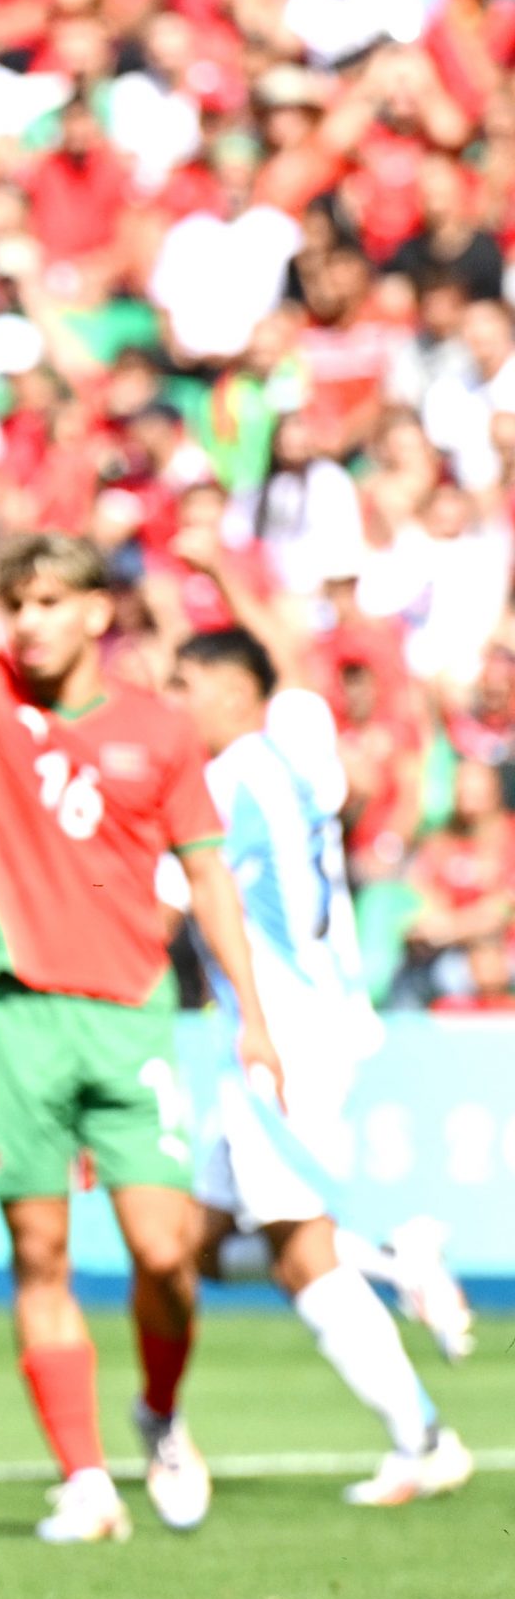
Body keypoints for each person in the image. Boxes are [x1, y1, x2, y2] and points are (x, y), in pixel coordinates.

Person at [0, 332, 283, 1543]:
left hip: (130, 1013)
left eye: (51, 601)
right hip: (18, 1012)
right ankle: (84, 1478)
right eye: (14, 604)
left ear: (97, 611)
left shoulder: (161, 730)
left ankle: (159, 1411)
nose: (29, 622)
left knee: (165, 1254)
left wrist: (252, 1016)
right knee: (40, 1246)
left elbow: (210, 883)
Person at [169, 627, 475, 1508]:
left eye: (185, 684)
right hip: (308, 1014)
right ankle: (392, 1283)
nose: (175, 702)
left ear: (230, 694)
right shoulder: (296, 757)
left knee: (302, 1250)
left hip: (280, 1031)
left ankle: (400, 1312)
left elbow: (170, 896)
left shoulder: (225, 785)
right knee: (185, 1247)